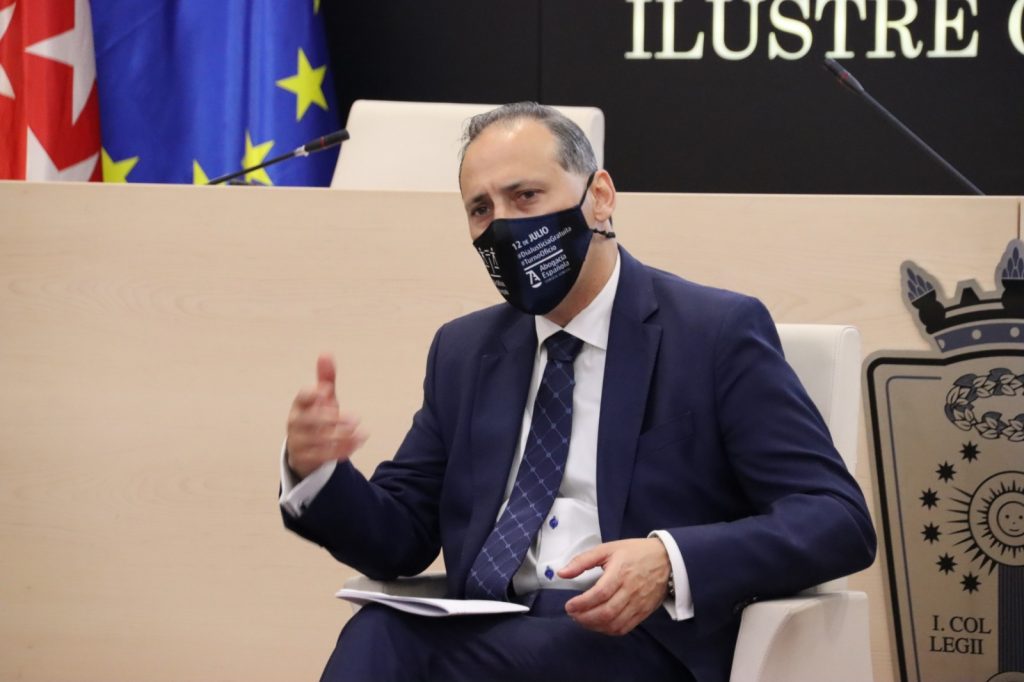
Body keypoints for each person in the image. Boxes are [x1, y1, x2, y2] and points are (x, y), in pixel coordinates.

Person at [280, 102, 876, 682]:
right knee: (380, 629)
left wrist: (669, 560)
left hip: (632, 643)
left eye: (526, 196)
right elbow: (401, 541)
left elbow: (836, 519)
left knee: (393, 644)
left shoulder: (713, 332)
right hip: (488, 627)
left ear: (600, 196)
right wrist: (318, 475)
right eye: (481, 209)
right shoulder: (464, 352)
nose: (504, 225)